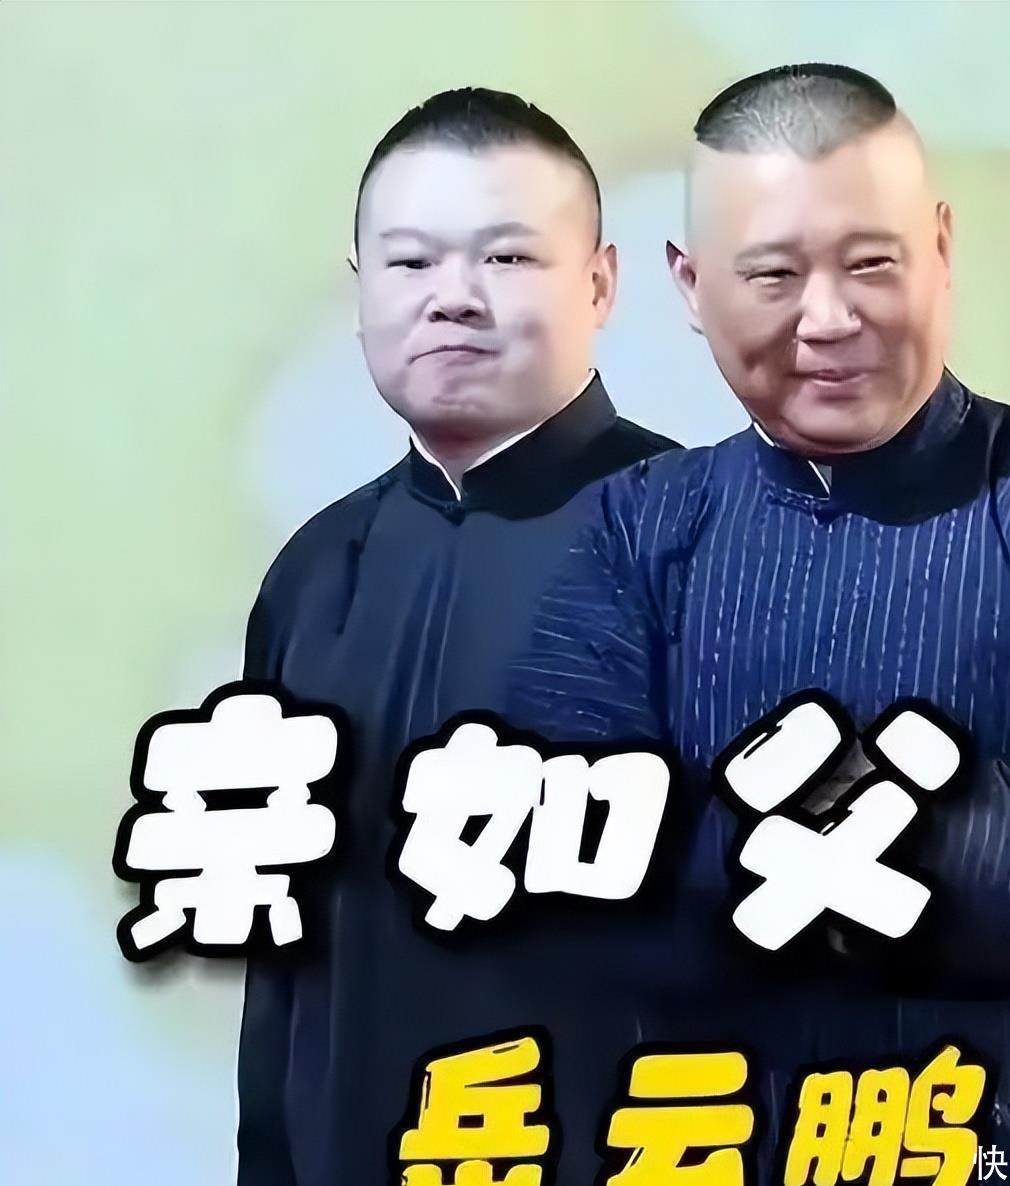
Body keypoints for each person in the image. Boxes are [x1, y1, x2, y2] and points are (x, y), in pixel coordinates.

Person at [508, 64, 1010, 1179]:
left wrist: (945, 846)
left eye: (870, 263)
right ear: (690, 284)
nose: (828, 320)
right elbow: (548, 845)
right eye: (773, 275)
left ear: (940, 247)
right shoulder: (632, 536)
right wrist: (806, 845)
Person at [235, 88, 676, 1186]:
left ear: (599, 284)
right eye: (409, 262)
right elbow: (278, 978)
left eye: (506, 258)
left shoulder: (707, 542)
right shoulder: (313, 576)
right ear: (361, 293)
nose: (452, 298)